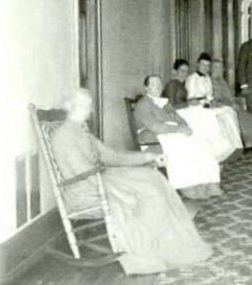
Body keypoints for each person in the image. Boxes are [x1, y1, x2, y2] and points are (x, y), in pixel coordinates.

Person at [51, 89, 213, 274]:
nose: (89, 110)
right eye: (84, 105)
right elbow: (81, 173)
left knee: (152, 178)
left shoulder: (82, 131)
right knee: (139, 193)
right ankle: (147, 252)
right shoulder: (64, 135)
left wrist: (148, 157)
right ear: (71, 107)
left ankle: (165, 244)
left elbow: (111, 156)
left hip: (100, 178)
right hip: (85, 188)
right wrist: (118, 192)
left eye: (89, 105)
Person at [134, 75, 223, 199]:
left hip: (172, 132)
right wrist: (177, 129)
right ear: (146, 88)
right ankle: (186, 185)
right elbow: (154, 126)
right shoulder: (143, 104)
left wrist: (184, 127)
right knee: (181, 145)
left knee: (200, 140)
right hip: (153, 135)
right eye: (154, 84)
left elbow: (179, 119)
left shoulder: (165, 103)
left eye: (160, 84)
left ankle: (209, 182)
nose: (159, 87)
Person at [185, 53, 243, 158]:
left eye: (207, 66)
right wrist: (203, 102)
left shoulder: (207, 78)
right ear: (198, 65)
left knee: (228, 111)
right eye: (203, 65)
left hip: (207, 104)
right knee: (216, 116)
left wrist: (213, 102)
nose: (205, 68)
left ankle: (235, 145)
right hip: (195, 107)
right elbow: (190, 98)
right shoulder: (192, 78)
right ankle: (218, 149)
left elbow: (210, 95)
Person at [211, 59, 252, 152]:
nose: (218, 70)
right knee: (244, 118)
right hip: (222, 106)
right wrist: (230, 104)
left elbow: (229, 96)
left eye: (220, 67)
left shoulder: (222, 81)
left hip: (230, 104)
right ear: (211, 69)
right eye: (216, 67)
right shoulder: (210, 82)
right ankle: (251, 143)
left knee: (249, 117)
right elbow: (215, 99)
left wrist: (234, 102)